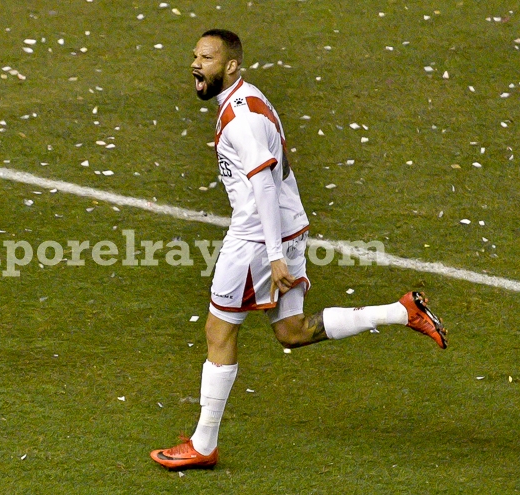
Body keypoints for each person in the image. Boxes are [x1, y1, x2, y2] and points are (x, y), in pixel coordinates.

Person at [149, 29, 448, 470]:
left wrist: (271, 254)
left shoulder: (242, 119)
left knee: (219, 333)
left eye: (207, 58)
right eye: (194, 56)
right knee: (292, 331)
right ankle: (402, 311)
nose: (196, 64)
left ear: (231, 66)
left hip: (256, 238)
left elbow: (263, 186)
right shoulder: (249, 98)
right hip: (289, 228)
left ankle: (203, 443)